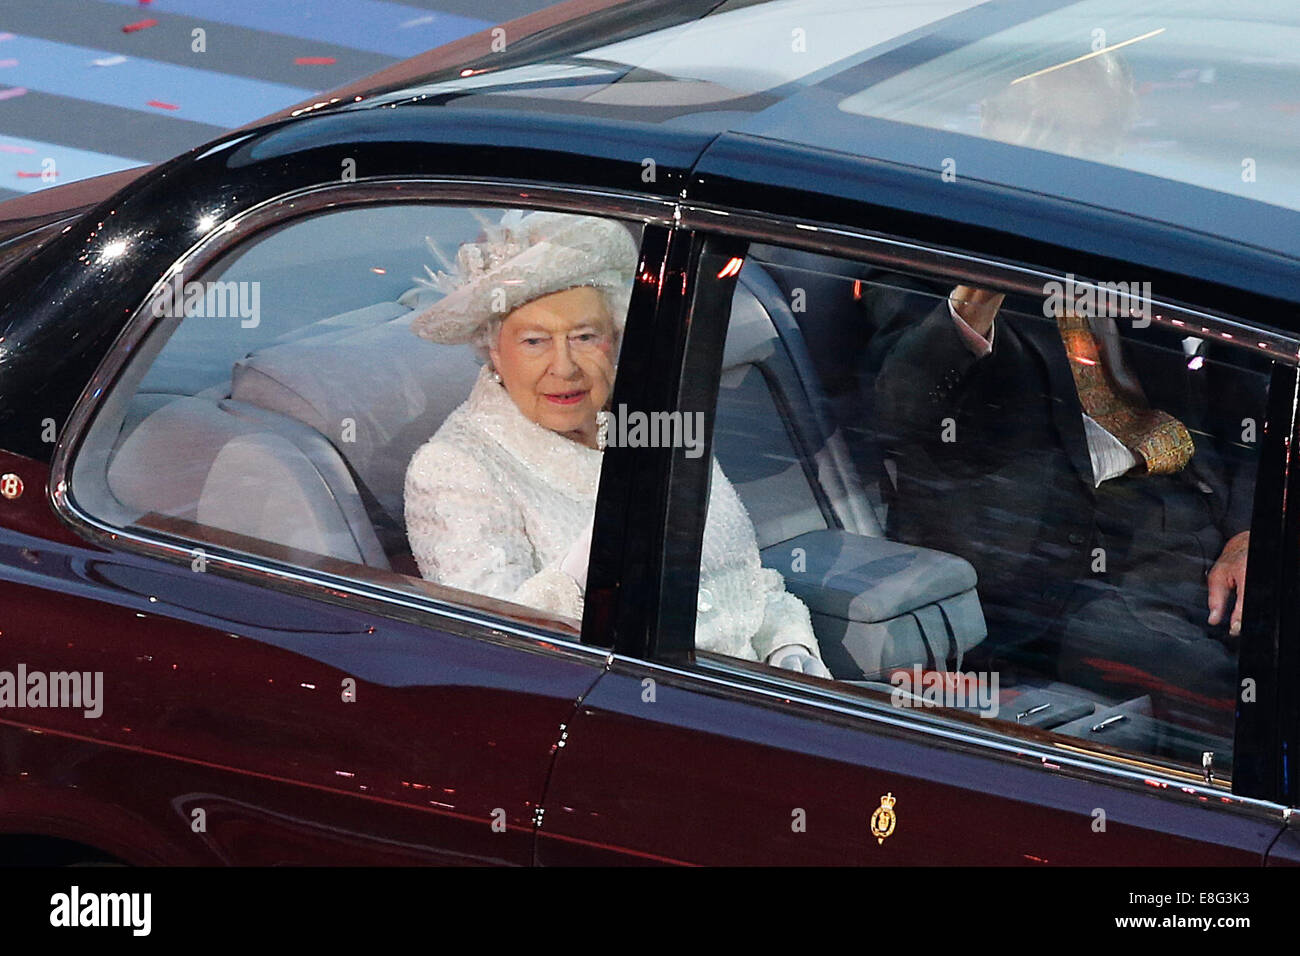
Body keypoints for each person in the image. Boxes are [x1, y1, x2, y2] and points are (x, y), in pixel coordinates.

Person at [863, 53, 1260, 735]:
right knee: (1240, 705)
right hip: (1060, 583)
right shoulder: (923, 230)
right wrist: (990, 263)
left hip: (1197, 525)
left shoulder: (1142, 232)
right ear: (989, 122)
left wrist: (1255, 531)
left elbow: (1249, 392)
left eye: (1091, 140)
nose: (1070, 160)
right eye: (1048, 134)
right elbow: (900, 406)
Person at [403, 210, 830, 677]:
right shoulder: (452, 469)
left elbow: (745, 579)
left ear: (615, 338)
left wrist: (789, 650)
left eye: (585, 336)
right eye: (534, 341)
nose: (564, 367)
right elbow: (499, 648)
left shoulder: (651, 420)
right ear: (493, 351)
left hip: (752, 690)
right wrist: (590, 559)